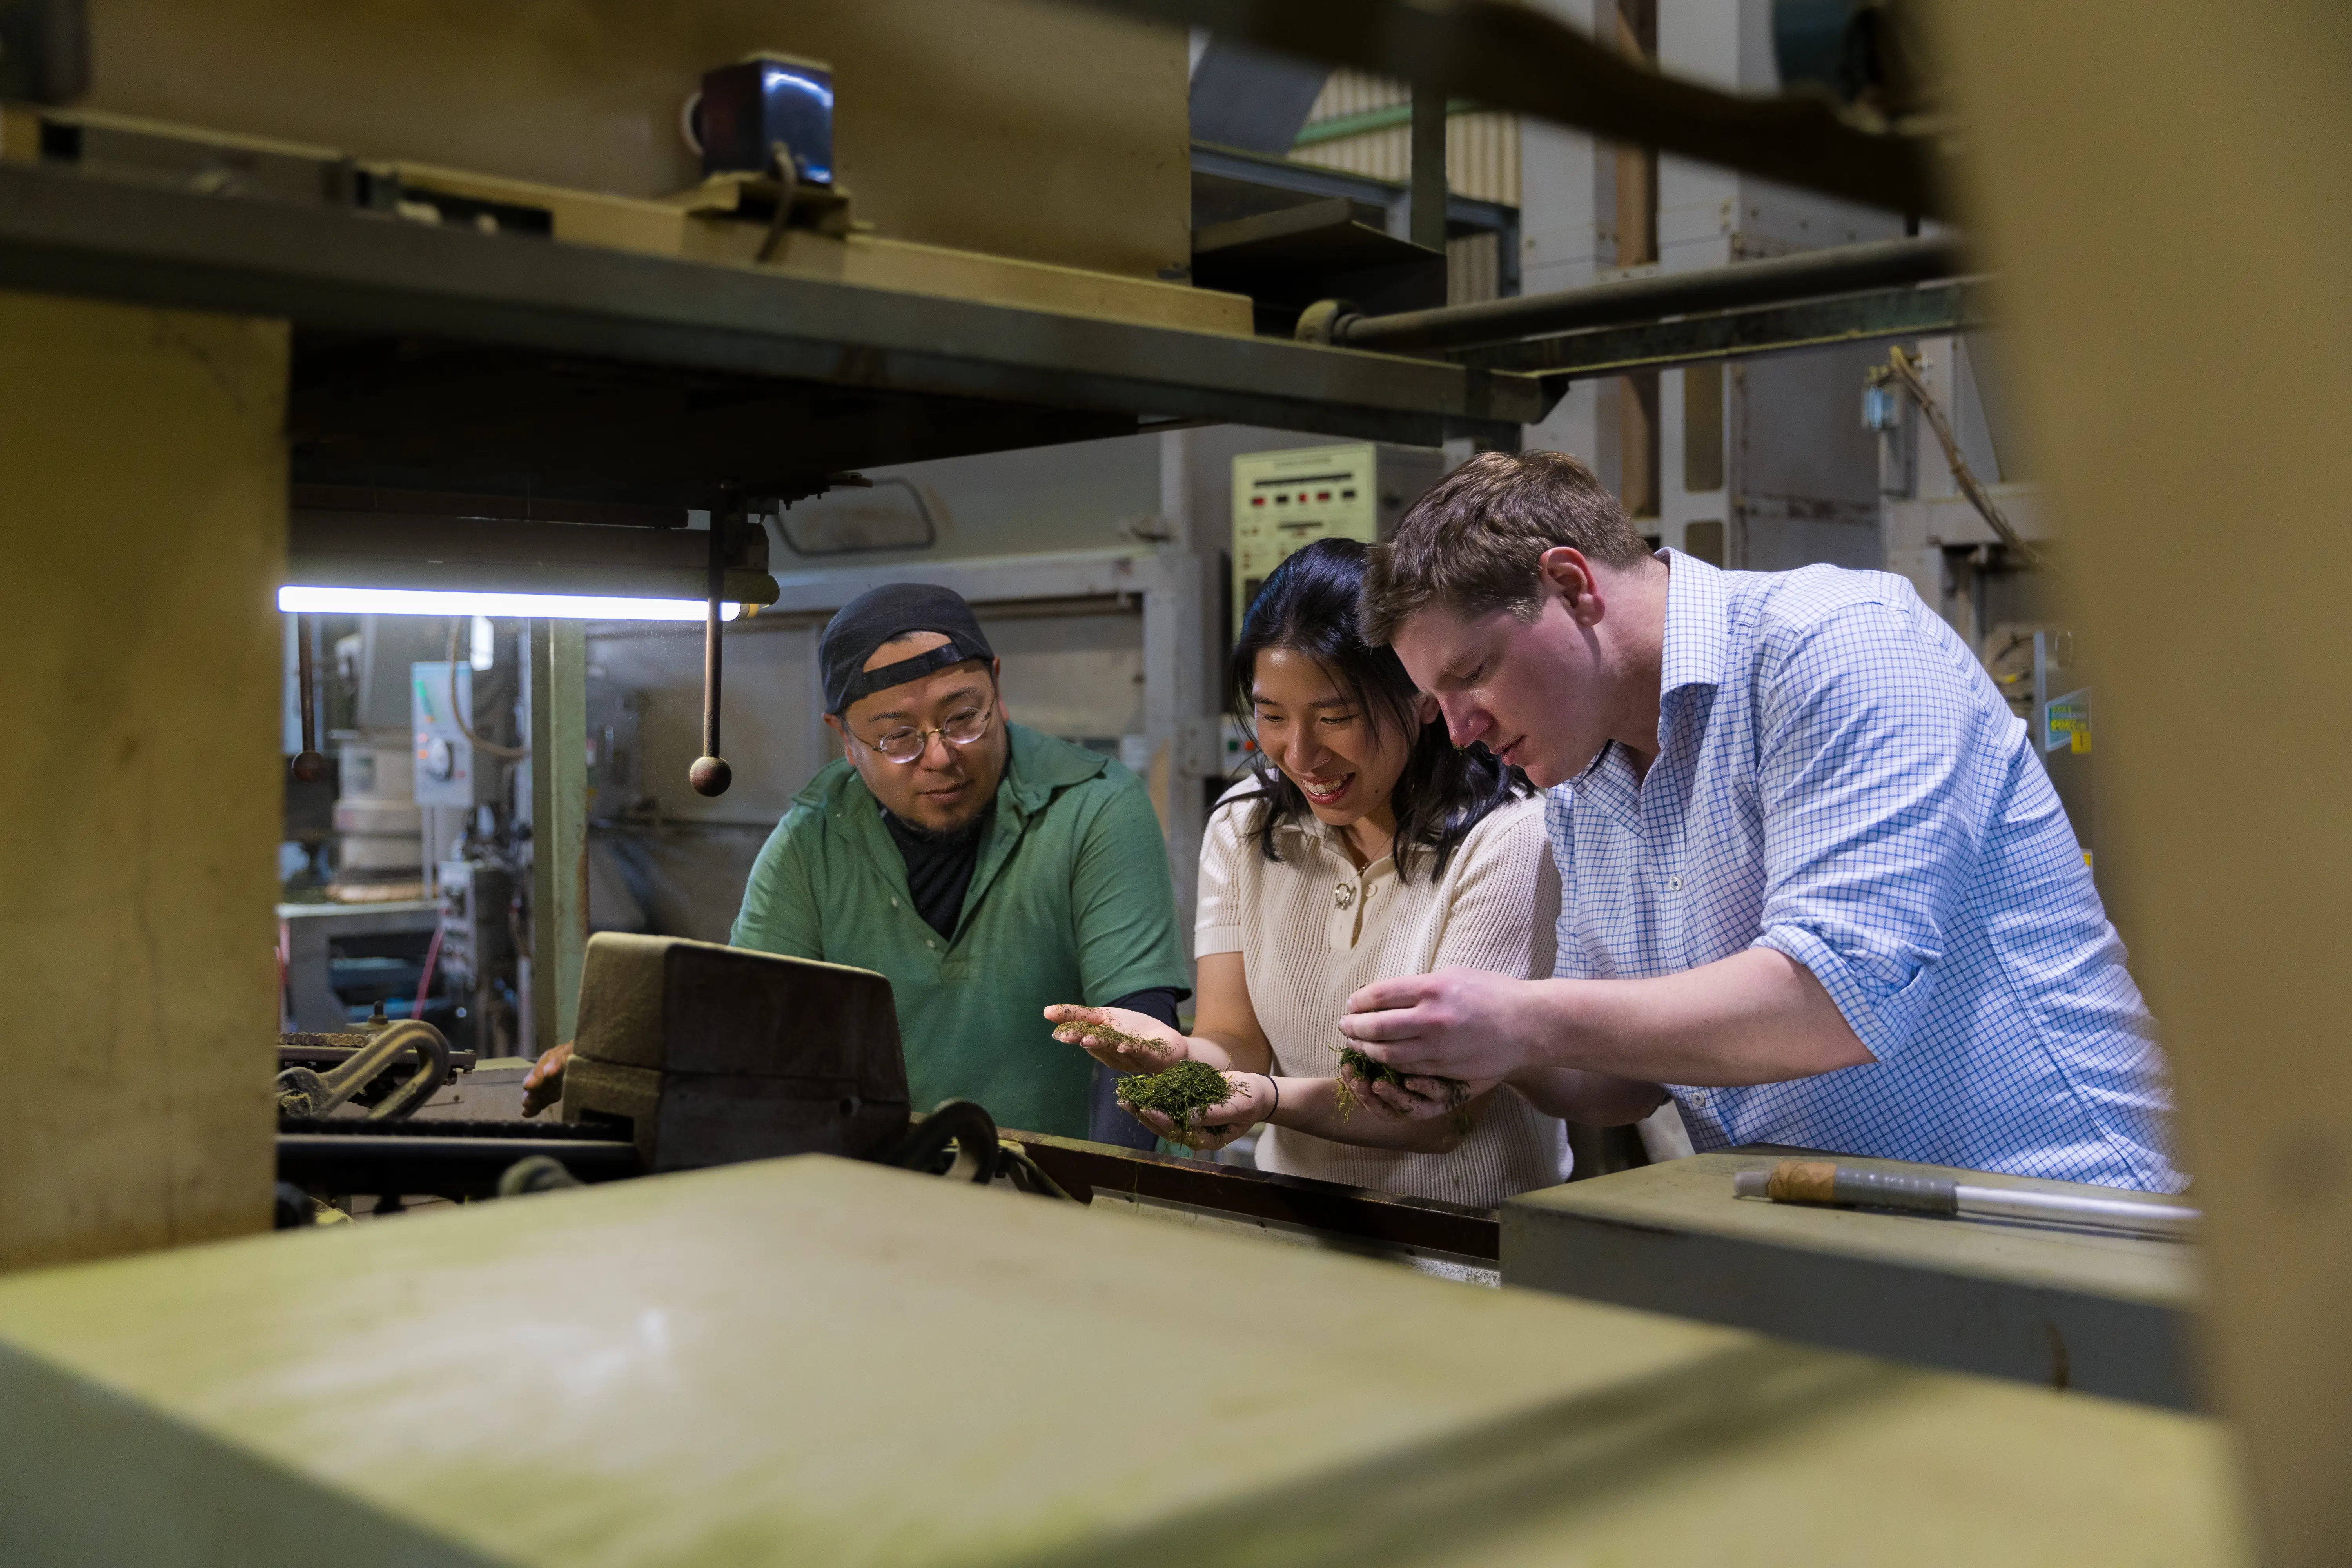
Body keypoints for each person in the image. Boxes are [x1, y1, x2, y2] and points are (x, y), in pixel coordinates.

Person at [1334, 449, 2181, 1191]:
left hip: (2070, 1218)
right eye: (1437, 701)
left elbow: (1830, 998)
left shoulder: (1837, 646)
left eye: (1473, 674)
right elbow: (1624, 1079)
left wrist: (1523, 1016)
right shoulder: (1583, 776)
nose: (1461, 731)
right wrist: (1486, 1056)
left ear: (1571, 585)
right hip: (1845, 1242)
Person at [1048, 540, 1655, 1208]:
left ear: (1423, 697)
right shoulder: (1244, 825)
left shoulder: (1510, 837)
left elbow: (1442, 1114)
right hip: (1299, 1229)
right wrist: (1179, 1059)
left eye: (1335, 717)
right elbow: (1235, 1046)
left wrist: (1270, 1100)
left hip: (1473, 1243)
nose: (1300, 755)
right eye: (1271, 717)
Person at [526, 583, 1187, 1143]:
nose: (939, 756)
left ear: (998, 691)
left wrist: (1114, 1205)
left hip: (1064, 1200)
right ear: (843, 738)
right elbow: (749, 1017)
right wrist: (625, 1056)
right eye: (897, 736)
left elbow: (1140, 1044)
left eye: (964, 718)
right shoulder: (815, 838)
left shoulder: (1093, 808)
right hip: (885, 1197)